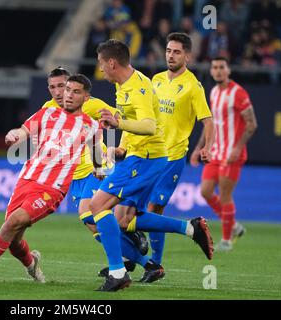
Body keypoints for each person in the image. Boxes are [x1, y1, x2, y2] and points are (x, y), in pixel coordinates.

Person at [0, 74, 104, 282]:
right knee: (13, 239)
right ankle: (32, 265)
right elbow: (23, 130)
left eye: (75, 91)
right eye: (67, 89)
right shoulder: (47, 113)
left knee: (13, 222)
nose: (68, 95)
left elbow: (97, 156)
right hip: (26, 181)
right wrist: (14, 134)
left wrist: (100, 170)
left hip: (52, 188)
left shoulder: (91, 126)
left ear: (86, 98)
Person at [90, 39, 214, 291]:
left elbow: (148, 125)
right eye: (168, 50)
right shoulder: (130, 84)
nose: (101, 69)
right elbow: (130, 118)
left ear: (112, 63)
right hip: (140, 154)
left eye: (102, 64)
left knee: (98, 205)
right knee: (123, 218)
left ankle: (120, 271)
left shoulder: (141, 88)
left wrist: (117, 124)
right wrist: (122, 143)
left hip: (151, 156)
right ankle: (189, 229)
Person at [42, 66, 142, 274]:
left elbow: (117, 116)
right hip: (74, 176)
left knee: (88, 213)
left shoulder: (90, 103)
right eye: (53, 87)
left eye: (62, 86)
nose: (58, 92)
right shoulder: (48, 109)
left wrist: (109, 122)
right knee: (92, 225)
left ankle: (133, 239)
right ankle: (129, 255)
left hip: (97, 169)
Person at [191, 57, 258, 251]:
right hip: (216, 152)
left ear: (228, 70)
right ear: (211, 71)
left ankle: (227, 240)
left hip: (232, 154)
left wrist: (237, 148)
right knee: (205, 191)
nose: (218, 71)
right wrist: (198, 148)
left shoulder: (238, 93)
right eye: (215, 68)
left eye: (222, 67)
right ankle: (234, 226)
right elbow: (209, 124)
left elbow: (252, 124)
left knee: (226, 195)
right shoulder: (213, 92)